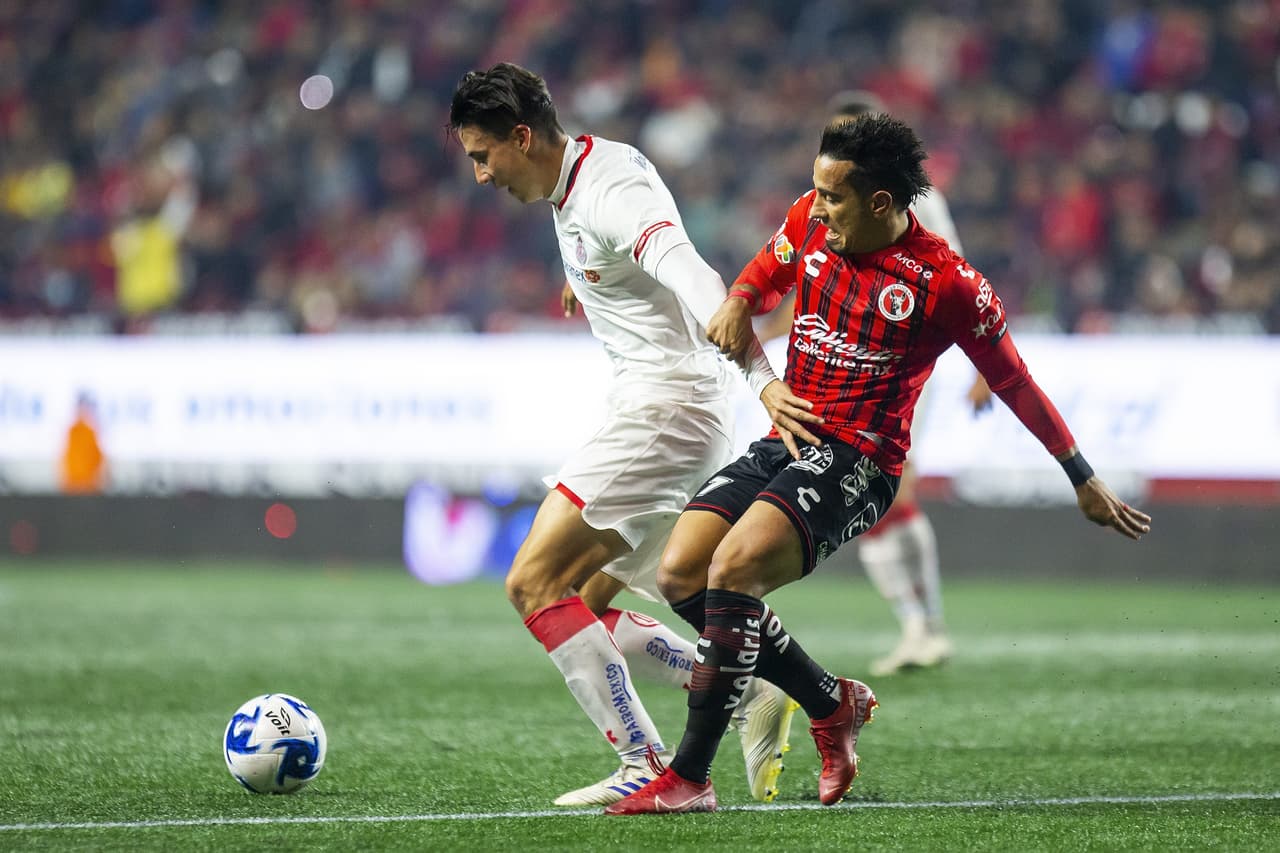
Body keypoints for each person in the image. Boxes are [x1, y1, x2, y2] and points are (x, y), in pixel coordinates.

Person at [606, 114, 1151, 814]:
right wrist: (742, 299)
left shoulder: (946, 282)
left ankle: (688, 777)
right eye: (817, 191)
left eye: (833, 196)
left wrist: (1083, 476)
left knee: (733, 570)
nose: (816, 206)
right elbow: (765, 272)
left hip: (860, 460)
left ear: (881, 203)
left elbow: (1014, 380)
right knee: (681, 572)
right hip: (789, 435)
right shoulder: (808, 219)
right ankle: (832, 702)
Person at [447, 63, 824, 806]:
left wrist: (766, 381)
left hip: (667, 410)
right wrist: (587, 279)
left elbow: (697, 278)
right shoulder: (581, 176)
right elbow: (632, 261)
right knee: (584, 596)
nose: (482, 175)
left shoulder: (610, 190)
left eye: (484, 155)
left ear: (522, 137)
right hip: (678, 409)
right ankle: (743, 692)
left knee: (533, 582)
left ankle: (649, 762)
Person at [754, 91, 993, 676]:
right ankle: (922, 625)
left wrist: (985, 368)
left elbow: (959, 286)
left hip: (897, 364)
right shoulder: (822, 206)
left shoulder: (918, 202)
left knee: (884, 492)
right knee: (876, 499)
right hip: (841, 363)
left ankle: (924, 625)